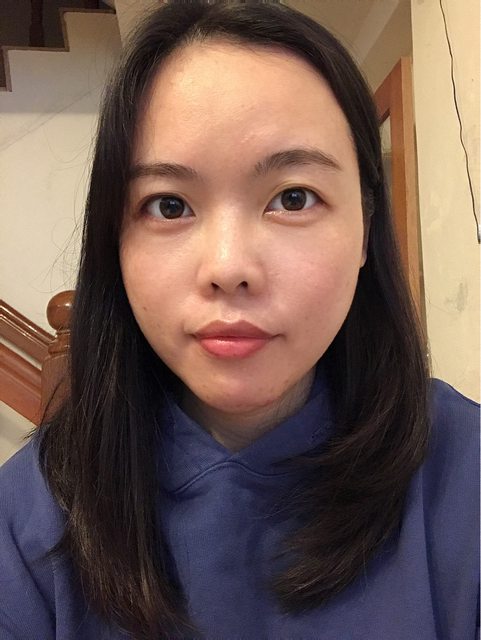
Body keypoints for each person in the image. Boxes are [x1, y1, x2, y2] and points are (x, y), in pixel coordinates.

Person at [0, 1, 479, 638]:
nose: (228, 267)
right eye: (168, 205)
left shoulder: (464, 471)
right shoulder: (27, 518)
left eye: (293, 197)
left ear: (366, 228)